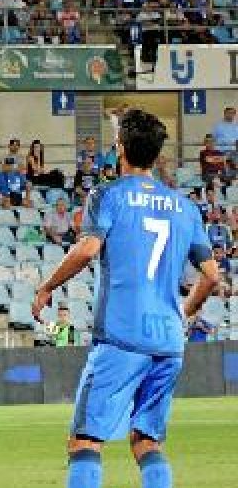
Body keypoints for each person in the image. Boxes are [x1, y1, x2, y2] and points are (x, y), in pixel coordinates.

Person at [32, 108, 220, 488]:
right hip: (168, 340)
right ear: (157, 154)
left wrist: (48, 286)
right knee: (146, 441)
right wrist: (185, 312)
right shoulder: (185, 208)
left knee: (85, 441)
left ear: (119, 147)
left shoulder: (108, 195)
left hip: (122, 336)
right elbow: (212, 275)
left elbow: (87, 250)